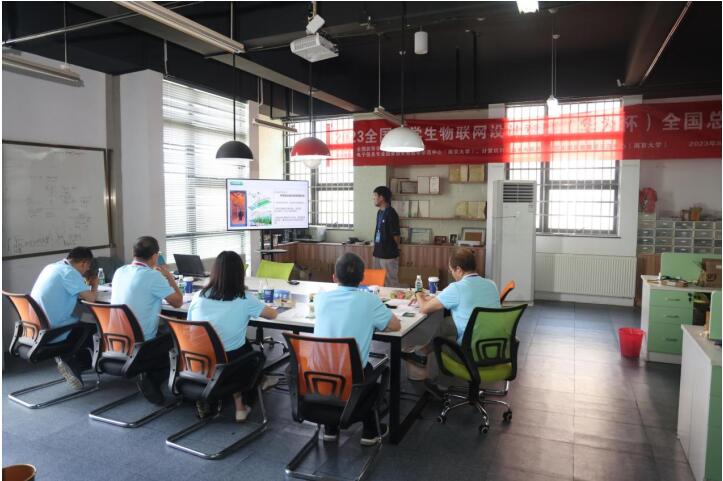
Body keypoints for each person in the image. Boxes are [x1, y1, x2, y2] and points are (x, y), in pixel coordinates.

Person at [313, 252, 401, 446]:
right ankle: (369, 431)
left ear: (334, 277)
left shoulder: (320, 299)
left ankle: (330, 427)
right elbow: (395, 326)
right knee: (376, 372)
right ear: (362, 278)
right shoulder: (369, 301)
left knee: (337, 366)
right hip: (352, 378)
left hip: (317, 375)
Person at [187, 251, 278, 421]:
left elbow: (190, 325)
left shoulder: (198, 296)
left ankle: (241, 401)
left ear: (214, 272)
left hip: (197, 361)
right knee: (249, 353)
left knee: (240, 345)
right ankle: (243, 403)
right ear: (240, 275)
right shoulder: (244, 298)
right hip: (229, 366)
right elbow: (273, 315)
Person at [111, 236, 184, 404]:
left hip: (115, 341)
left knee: (164, 334)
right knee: (180, 340)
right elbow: (178, 302)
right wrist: (169, 277)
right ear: (155, 256)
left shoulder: (120, 271)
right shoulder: (152, 276)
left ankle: (149, 375)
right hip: (141, 345)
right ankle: (152, 379)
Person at [402, 248, 500, 367]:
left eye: (451, 270)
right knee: (446, 323)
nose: (451, 273)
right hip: (496, 348)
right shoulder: (491, 284)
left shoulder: (456, 288)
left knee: (441, 339)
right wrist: (430, 298)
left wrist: (418, 292)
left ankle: (434, 374)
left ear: (458, 269)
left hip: (470, 352)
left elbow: (424, 308)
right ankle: (425, 350)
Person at [30, 247, 99, 390]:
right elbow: (91, 298)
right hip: (54, 330)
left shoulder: (52, 267)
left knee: (85, 318)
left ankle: (73, 360)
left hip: (35, 328)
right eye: (88, 266)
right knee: (94, 324)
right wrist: (95, 284)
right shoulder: (69, 273)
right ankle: (71, 360)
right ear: (84, 263)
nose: (87, 270)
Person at [371, 186, 401, 287]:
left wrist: (394, 249)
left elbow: (396, 236)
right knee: (377, 282)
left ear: (381, 198)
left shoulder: (391, 213)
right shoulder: (379, 212)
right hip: (378, 253)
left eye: (375, 196)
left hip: (388, 254)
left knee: (390, 282)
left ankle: (393, 298)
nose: (373, 198)